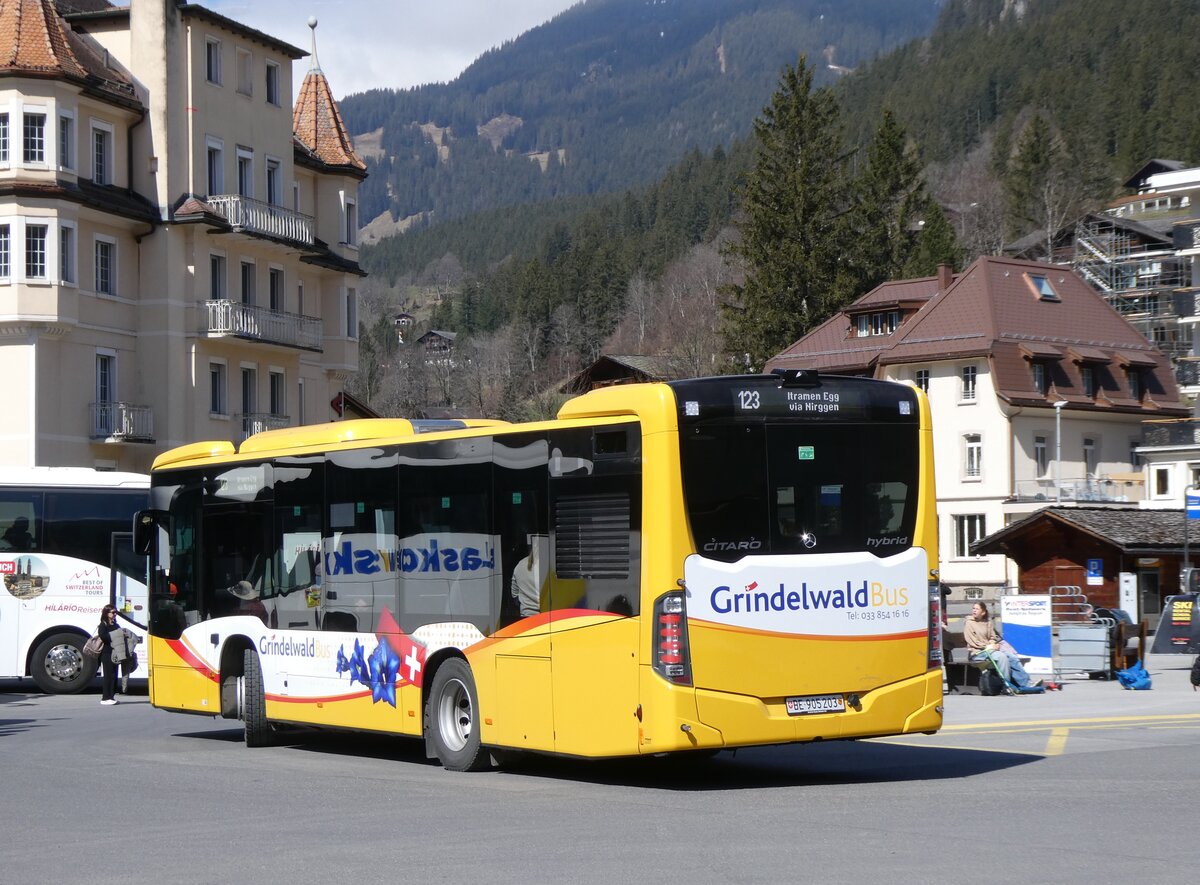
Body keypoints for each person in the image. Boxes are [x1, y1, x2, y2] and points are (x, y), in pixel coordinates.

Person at [963, 601, 1038, 690]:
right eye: (973, 608)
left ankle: (1026, 682)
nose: (974, 610)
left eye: (977, 609)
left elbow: (992, 636)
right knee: (1002, 657)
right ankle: (1006, 684)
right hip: (978, 652)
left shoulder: (988, 622)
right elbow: (972, 641)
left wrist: (992, 643)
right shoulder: (969, 623)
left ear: (983, 612)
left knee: (1011, 657)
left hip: (991, 650)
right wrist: (988, 646)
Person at [97, 604, 120, 705]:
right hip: (106, 653)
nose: (115, 614)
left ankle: (111, 696)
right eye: (113, 612)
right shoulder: (103, 625)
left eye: (116, 612)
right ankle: (105, 697)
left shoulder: (115, 624)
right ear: (107, 613)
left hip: (115, 653)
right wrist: (115, 636)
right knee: (108, 675)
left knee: (114, 675)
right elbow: (104, 637)